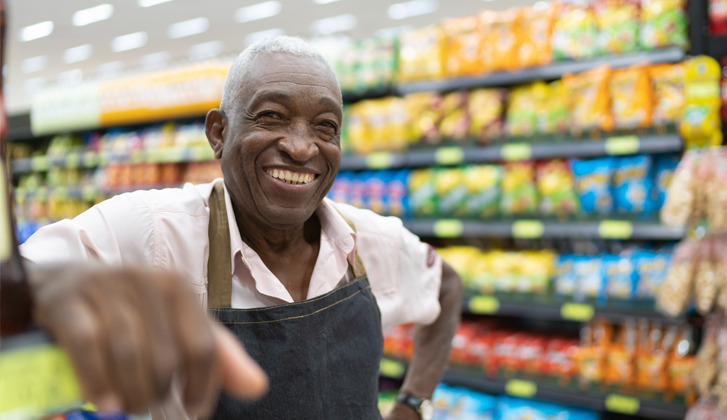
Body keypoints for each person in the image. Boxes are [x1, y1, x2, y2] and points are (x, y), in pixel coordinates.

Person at [21, 35, 463, 419]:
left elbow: (446, 284)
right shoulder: (155, 233)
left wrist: (412, 404)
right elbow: (20, 279)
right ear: (218, 132)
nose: (300, 146)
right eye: (271, 116)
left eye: (325, 126)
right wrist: (50, 298)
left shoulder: (367, 241)